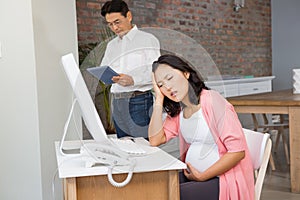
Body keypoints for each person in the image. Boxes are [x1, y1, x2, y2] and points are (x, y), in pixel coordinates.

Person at [148, 54, 254, 200]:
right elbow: (155, 139)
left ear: (186, 73)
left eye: (170, 78)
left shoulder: (212, 100)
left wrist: (202, 176)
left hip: (223, 180)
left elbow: (237, 152)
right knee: (155, 187)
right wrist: (159, 100)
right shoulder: (179, 110)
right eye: (160, 85)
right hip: (195, 176)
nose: (167, 87)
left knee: (168, 194)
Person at [100, 0, 160, 139]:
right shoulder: (111, 45)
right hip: (117, 102)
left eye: (117, 22)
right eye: (110, 24)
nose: (115, 28)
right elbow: (105, 68)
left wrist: (133, 80)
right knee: (125, 148)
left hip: (138, 102)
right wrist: (106, 76)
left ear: (129, 16)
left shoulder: (147, 40)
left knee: (143, 149)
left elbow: (157, 73)